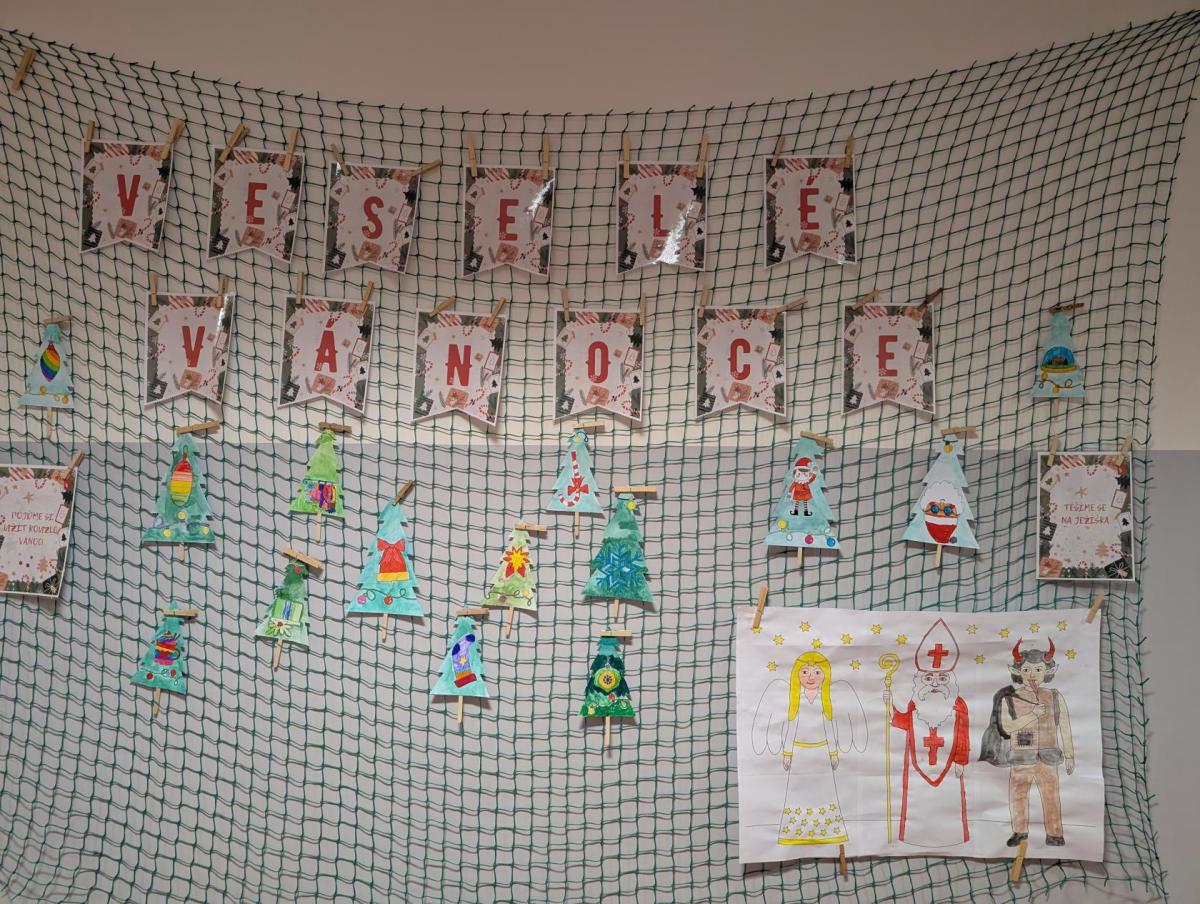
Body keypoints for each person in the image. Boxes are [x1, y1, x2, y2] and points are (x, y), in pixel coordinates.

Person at [979, 639, 1076, 847]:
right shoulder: (1009, 698)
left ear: (1047, 672)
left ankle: (1054, 834)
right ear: (1018, 672)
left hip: (1048, 757)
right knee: (1018, 795)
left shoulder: (1055, 697)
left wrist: (1069, 755)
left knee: (1051, 795)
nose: (1032, 674)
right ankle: (1019, 831)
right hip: (1021, 757)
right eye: (1027, 670)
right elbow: (1008, 727)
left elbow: (1065, 726)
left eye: (1038, 669)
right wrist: (1032, 714)